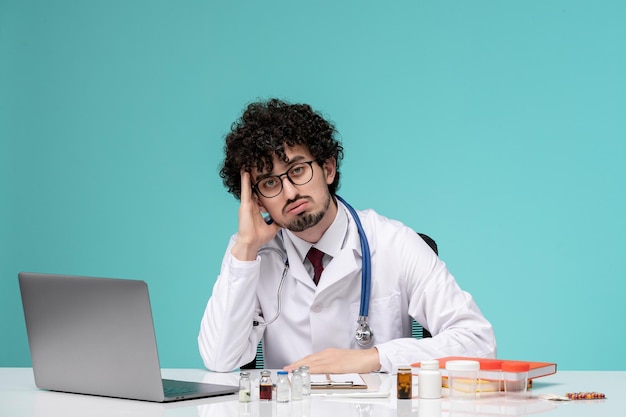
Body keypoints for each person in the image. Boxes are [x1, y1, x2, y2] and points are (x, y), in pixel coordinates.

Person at [198, 98, 496, 373]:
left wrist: (373, 357)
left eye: (298, 170)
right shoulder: (251, 257)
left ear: (328, 168)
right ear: (257, 200)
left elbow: (479, 343)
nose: (290, 192)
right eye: (270, 183)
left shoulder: (394, 242)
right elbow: (219, 360)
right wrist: (246, 249)